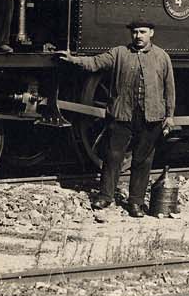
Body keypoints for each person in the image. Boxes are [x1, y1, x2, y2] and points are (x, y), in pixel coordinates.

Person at [58, 19, 176, 217]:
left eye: (142, 32)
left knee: (143, 160)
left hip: (152, 116)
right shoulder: (119, 53)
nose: (138, 36)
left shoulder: (162, 57)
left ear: (151, 33)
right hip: (122, 114)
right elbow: (95, 63)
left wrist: (170, 116)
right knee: (113, 156)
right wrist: (73, 59)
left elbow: (169, 89)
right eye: (135, 32)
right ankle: (105, 196)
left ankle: (136, 203)